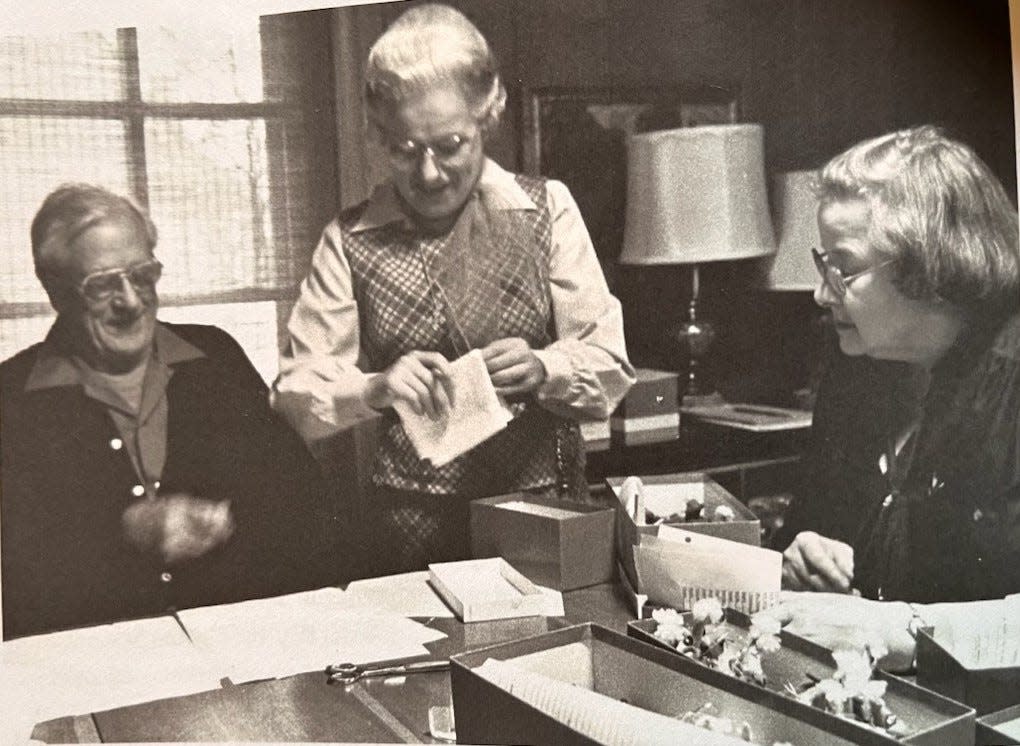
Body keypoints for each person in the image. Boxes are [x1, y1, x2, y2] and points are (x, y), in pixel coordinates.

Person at [272, 4, 634, 575]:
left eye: (451, 144)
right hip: (408, 534)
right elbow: (294, 400)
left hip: (543, 516)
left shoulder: (547, 209)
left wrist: (545, 368)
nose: (430, 174)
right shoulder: (348, 240)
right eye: (403, 149)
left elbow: (610, 368)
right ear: (377, 134)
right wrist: (374, 388)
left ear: (488, 116)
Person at [0, 184, 337, 639]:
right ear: (55, 290)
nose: (132, 301)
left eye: (142, 275)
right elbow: (21, 568)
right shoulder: (12, 399)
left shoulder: (215, 358)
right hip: (96, 665)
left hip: (239, 647)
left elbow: (304, 506)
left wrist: (234, 522)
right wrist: (123, 532)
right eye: (102, 285)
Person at [780, 125, 1020, 604]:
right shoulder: (860, 364)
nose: (821, 293)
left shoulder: (1010, 383)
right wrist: (801, 556)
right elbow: (810, 522)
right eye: (821, 264)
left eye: (843, 269)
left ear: (929, 268)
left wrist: (903, 631)